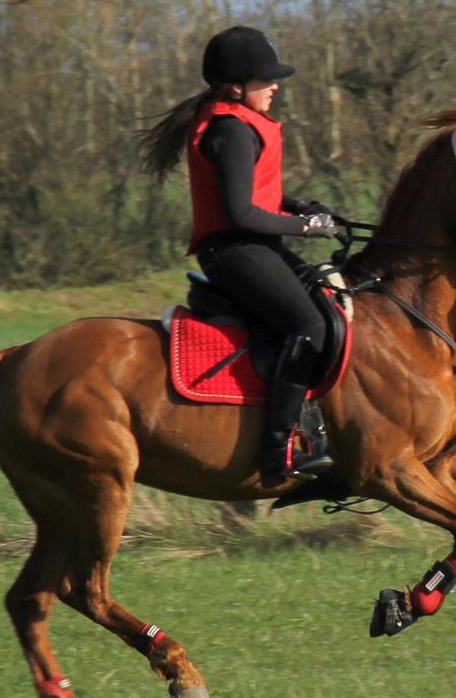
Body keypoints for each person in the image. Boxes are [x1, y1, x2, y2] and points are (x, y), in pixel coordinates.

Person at [139, 25, 338, 487]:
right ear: (234, 88)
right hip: (233, 251)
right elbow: (242, 213)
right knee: (308, 325)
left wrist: (300, 207)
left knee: (329, 301)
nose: (275, 87)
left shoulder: (241, 123)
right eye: (266, 80)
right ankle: (278, 453)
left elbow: (259, 190)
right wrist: (305, 227)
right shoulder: (230, 130)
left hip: (255, 247)